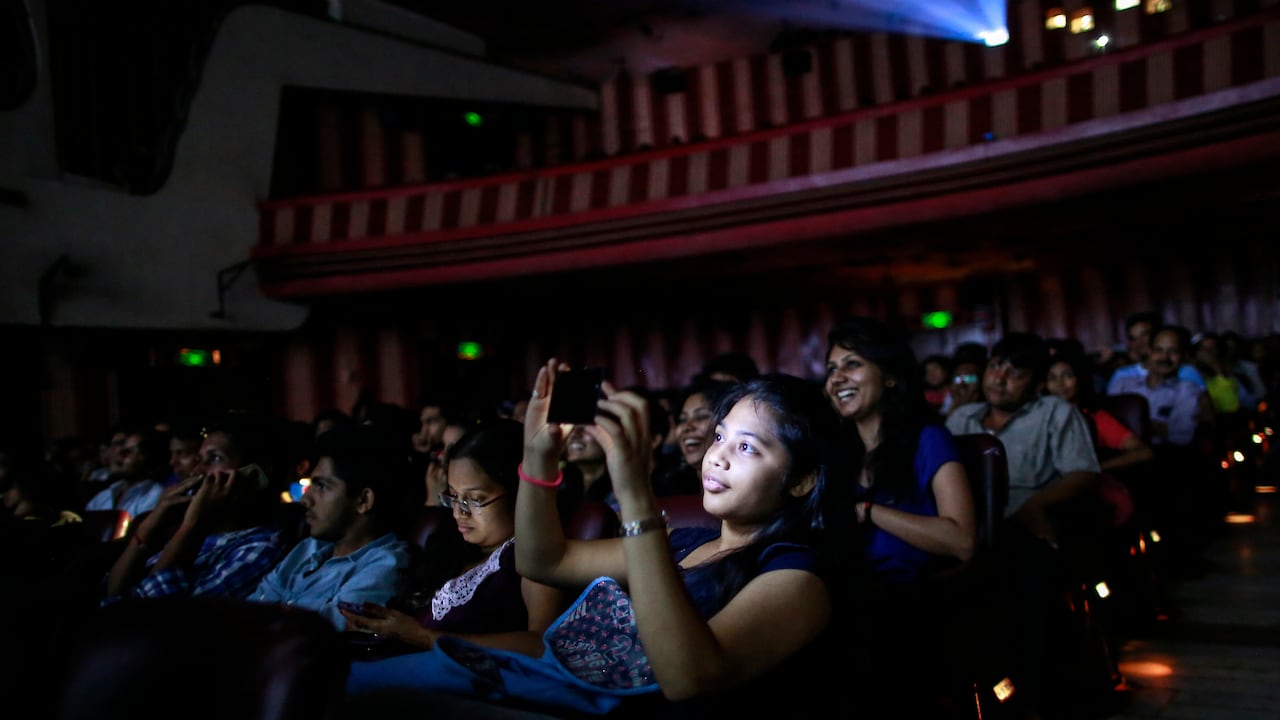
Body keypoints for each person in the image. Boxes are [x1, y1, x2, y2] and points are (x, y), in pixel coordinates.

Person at [343, 360, 855, 718]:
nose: (717, 456)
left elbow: (689, 678)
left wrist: (634, 491)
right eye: (720, 436)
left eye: (748, 447)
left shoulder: (798, 577)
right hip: (568, 697)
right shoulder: (685, 543)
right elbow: (545, 560)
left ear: (802, 480)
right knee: (352, 685)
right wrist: (539, 460)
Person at [945, 331, 1107, 717]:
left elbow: (1084, 473)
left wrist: (1036, 505)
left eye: (1015, 372)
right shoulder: (961, 417)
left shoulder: (1055, 412)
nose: (999, 378)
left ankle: (1032, 692)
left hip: (1027, 520)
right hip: (967, 524)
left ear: (1035, 384)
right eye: (996, 366)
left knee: (1025, 571)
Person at [823, 318, 977, 712]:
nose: (837, 377)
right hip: (840, 592)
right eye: (831, 369)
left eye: (851, 364)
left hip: (906, 600)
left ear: (889, 376)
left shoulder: (928, 439)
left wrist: (871, 512)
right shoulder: (835, 456)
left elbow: (961, 541)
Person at [340, 419, 565, 663]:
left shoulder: (529, 556)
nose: (459, 512)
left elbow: (541, 644)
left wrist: (424, 636)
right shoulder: (453, 549)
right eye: (453, 497)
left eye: (475, 499)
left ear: (520, 493)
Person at [100, 417, 292, 605]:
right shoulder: (204, 533)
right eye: (199, 460)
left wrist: (194, 525)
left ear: (257, 473)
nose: (196, 472)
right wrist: (150, 525)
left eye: (215, 458)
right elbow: (109, 592)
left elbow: (151, 613)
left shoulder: (259, 549)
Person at [248, 423, 415, 630]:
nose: (305, 500)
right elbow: (249, 611)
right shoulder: (310, 548)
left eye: (322, 486)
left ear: (363, 500)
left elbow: (320, 635)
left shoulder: (386, 564)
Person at [82, 425, 168, 520]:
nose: (119, 455)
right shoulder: (106, 494)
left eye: (128, 452)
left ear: (149, 458)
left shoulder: (155, 495)